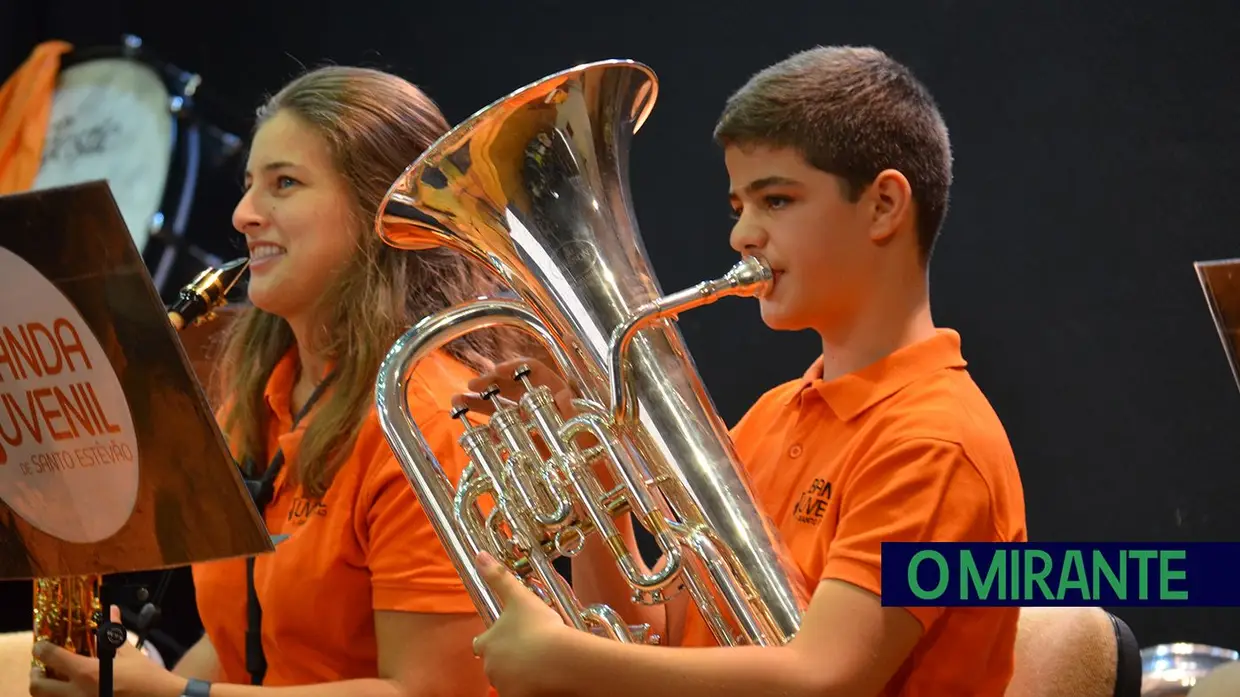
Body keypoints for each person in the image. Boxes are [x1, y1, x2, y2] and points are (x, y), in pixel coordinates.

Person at [458, 45, 1028, 697]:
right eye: (738, 208)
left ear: (883, 206)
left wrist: (563, 660)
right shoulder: (771, 416)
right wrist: (587, 469)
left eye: (777, 200)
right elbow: (658, 639)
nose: (741, 236)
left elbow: (823, 677)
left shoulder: (937, 444)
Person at [29, 65, 504, 697]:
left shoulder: (431, 418)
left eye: (284, 183)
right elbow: (242, 653)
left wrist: (167, 696)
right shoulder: (259, 399)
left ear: (378, 210)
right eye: (250, 184)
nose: (244, 213)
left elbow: (431, 690)